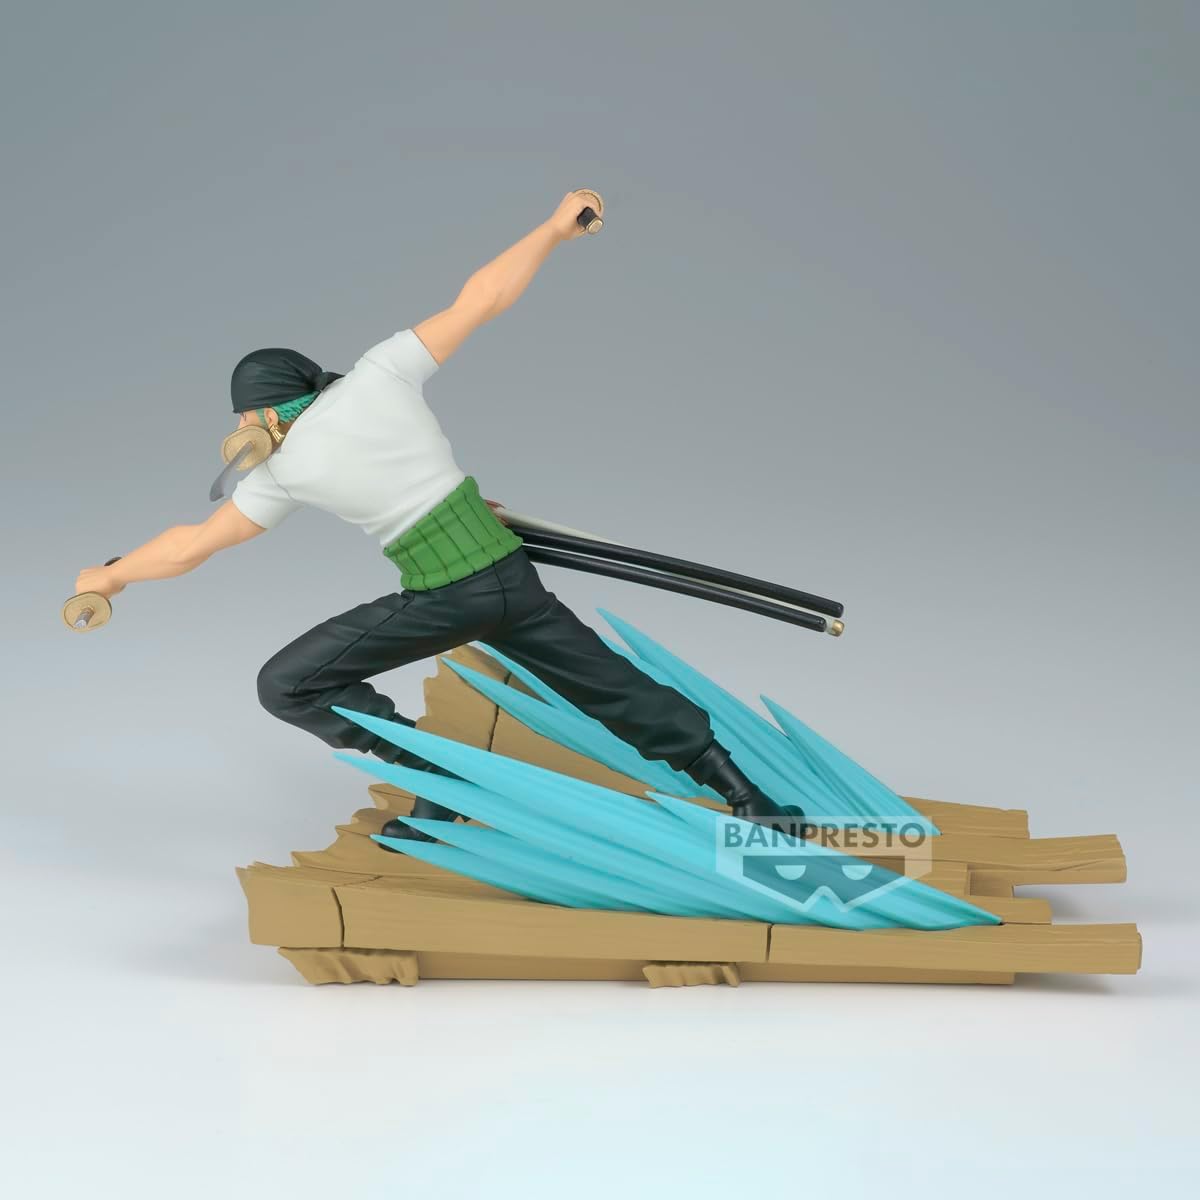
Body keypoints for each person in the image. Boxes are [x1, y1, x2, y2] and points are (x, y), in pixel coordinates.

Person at [73, 190, 803, 845]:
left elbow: (191, 546)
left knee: (287, 685)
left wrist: (111, 577)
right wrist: (553, 229)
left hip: (448, 595)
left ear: (264, 413)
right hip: (511, 578)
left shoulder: (282, 469)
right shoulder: (380, 374)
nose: (240, 430)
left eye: (242, 418)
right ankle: (750, 799)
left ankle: (440, 778)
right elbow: (483, 297)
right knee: (615, 690)